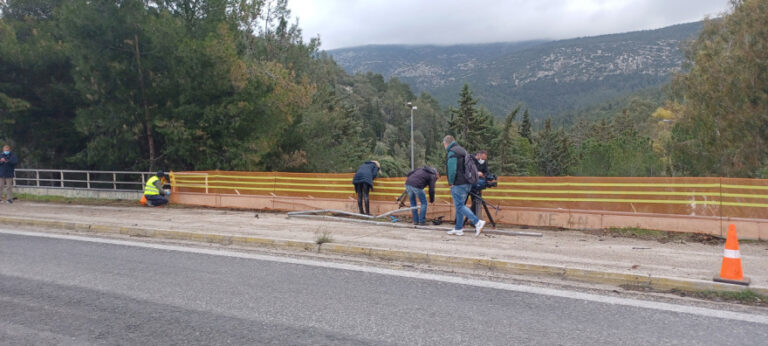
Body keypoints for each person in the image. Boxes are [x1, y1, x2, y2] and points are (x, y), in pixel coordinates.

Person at [443, 135, 486, 236]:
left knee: (459, 206)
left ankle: (477, 222)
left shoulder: (452, 152)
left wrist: (451, 182)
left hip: (458, 183)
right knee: (460, 206)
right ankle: (458, 228)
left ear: (446, 143)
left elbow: (452, 169)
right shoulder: (462, 150)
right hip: (467, 182)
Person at [470, 150, 490, 215]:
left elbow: (487, 172)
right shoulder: (471, 160)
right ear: (479, 155)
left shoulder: (484, 163)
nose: (483, 160)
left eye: (484, 159)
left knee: (477, 202)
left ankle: (475, 218)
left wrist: (483, 175)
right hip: (471, 183)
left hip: (479, 183)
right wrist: (476, 173)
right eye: (482, 158)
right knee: (469, 202)